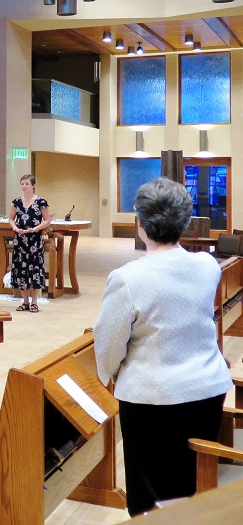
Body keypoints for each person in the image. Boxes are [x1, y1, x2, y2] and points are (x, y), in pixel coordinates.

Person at [94, 177, 231, 517]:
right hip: (206, 390)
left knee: (150, 497)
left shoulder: (127, 278)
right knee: (189, 481)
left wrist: (109, 375)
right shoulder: (206, 265)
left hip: (152, 397)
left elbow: (108, 344)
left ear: (140, 224)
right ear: (185, 222)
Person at [9, 174, 51, 313]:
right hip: (20, 239)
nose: (24, 186)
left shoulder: (41, 202)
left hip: (34, 240)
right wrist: (15, 228)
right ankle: (25, 302)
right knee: (20, 269)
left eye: (27, 183)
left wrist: (35, 229)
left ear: (33, 185)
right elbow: (11, 218)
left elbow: (47, 220)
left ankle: (34, 302)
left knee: (35, 269)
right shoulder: (16, 202)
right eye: (22, 183)